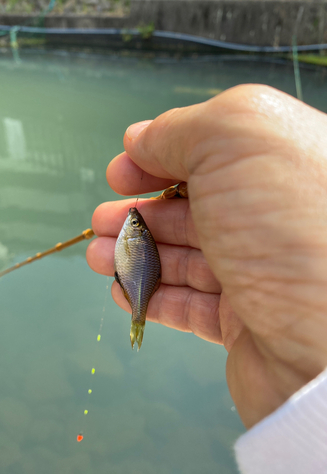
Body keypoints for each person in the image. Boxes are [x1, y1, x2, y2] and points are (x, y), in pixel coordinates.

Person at [86, 84, 327, 473]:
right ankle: (139, 317)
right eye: (135, 224)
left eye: (134, 225)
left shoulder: (132, 233)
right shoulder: (138, 236)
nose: (132, 224)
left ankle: (138, 318)